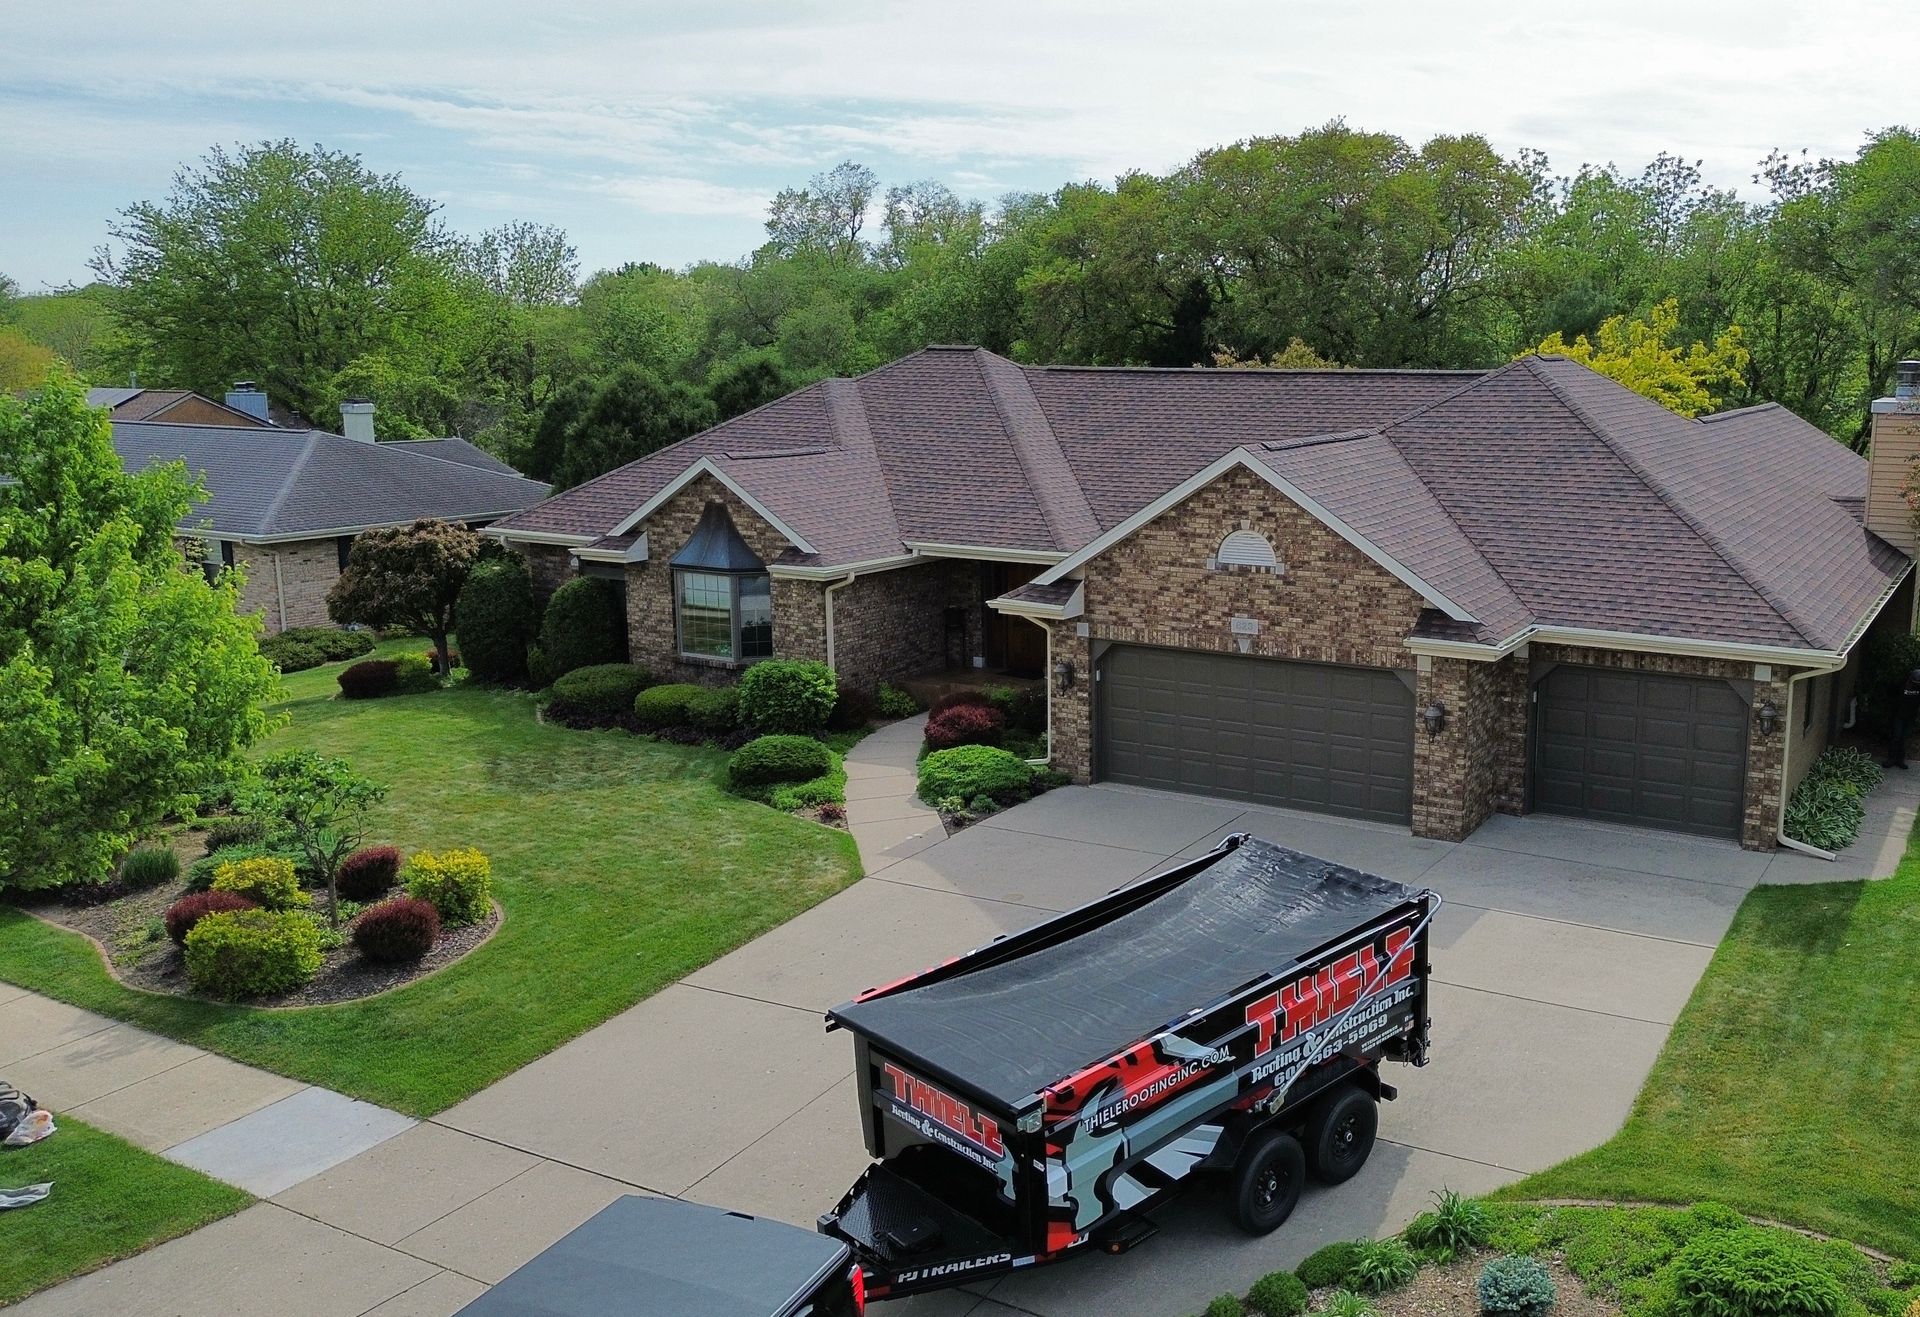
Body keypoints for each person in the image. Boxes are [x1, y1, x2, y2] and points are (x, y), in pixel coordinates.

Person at [1888, 667, 1920, 769]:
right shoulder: (1902, 685)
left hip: (1911, 717)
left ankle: (1900, 760)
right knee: (1896, 737)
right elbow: (1892, 695)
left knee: (1904, 738)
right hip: (1899, 716)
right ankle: (1891, 759)